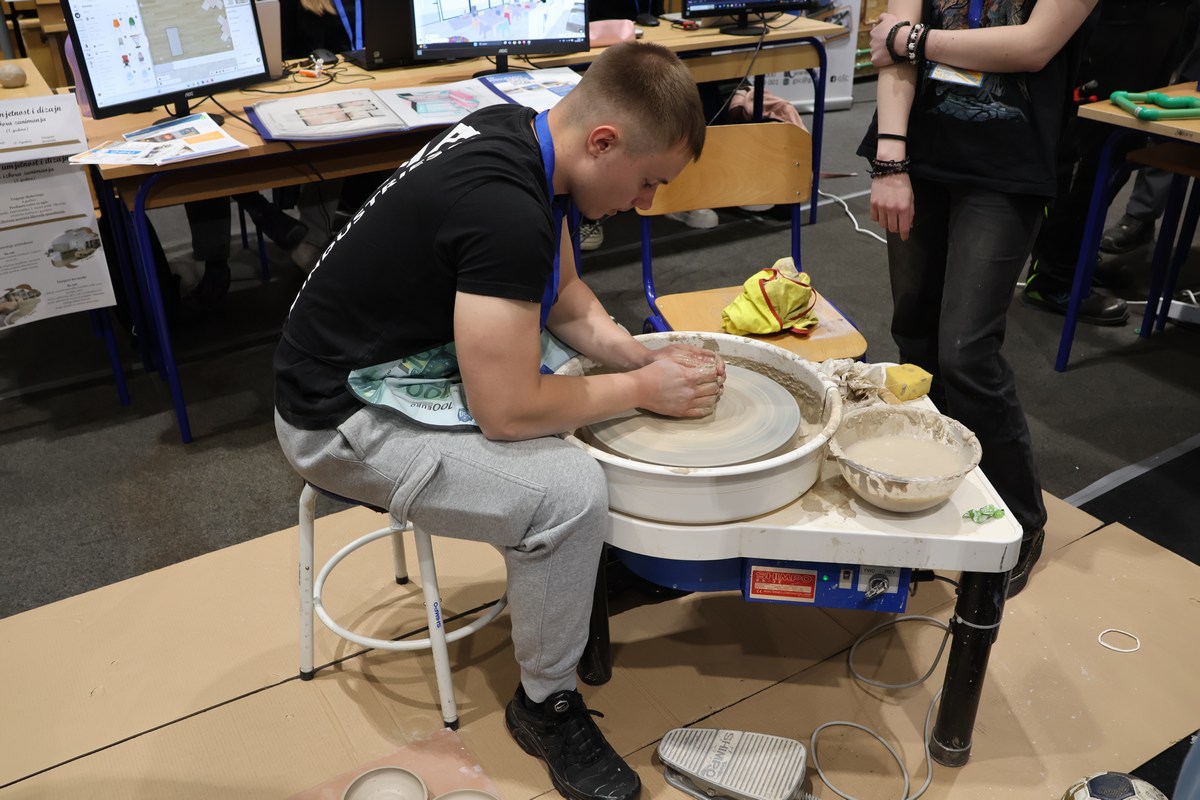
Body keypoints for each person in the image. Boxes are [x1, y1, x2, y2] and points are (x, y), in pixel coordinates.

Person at [273, 41, 723, 800]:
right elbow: (508, 412)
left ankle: (577, 573)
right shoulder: (505, 209)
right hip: (337, 416)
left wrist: (634, 357)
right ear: (603, 142)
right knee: (569, 492)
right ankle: (545, 704)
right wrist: (644, 389)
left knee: (591, 388)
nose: (647, 203)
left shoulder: (528, 137)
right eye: (648, 181)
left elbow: (564, 295)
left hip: (382, 355)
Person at [863, 0, 1098, 597]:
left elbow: (1033, 46)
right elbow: (889, 46)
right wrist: (890, 159)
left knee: (967, 351)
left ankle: (1020, 518)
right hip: (916, 151)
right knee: (914, 335)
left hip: (1008, 165)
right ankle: (933, 493)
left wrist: (912, 40)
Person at [1019, 0, 1198, 325]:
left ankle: (1077, 260)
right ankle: (1053, 280)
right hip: (1113, 22)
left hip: (1158, 20)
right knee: (1085, 151)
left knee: (1119, 150)